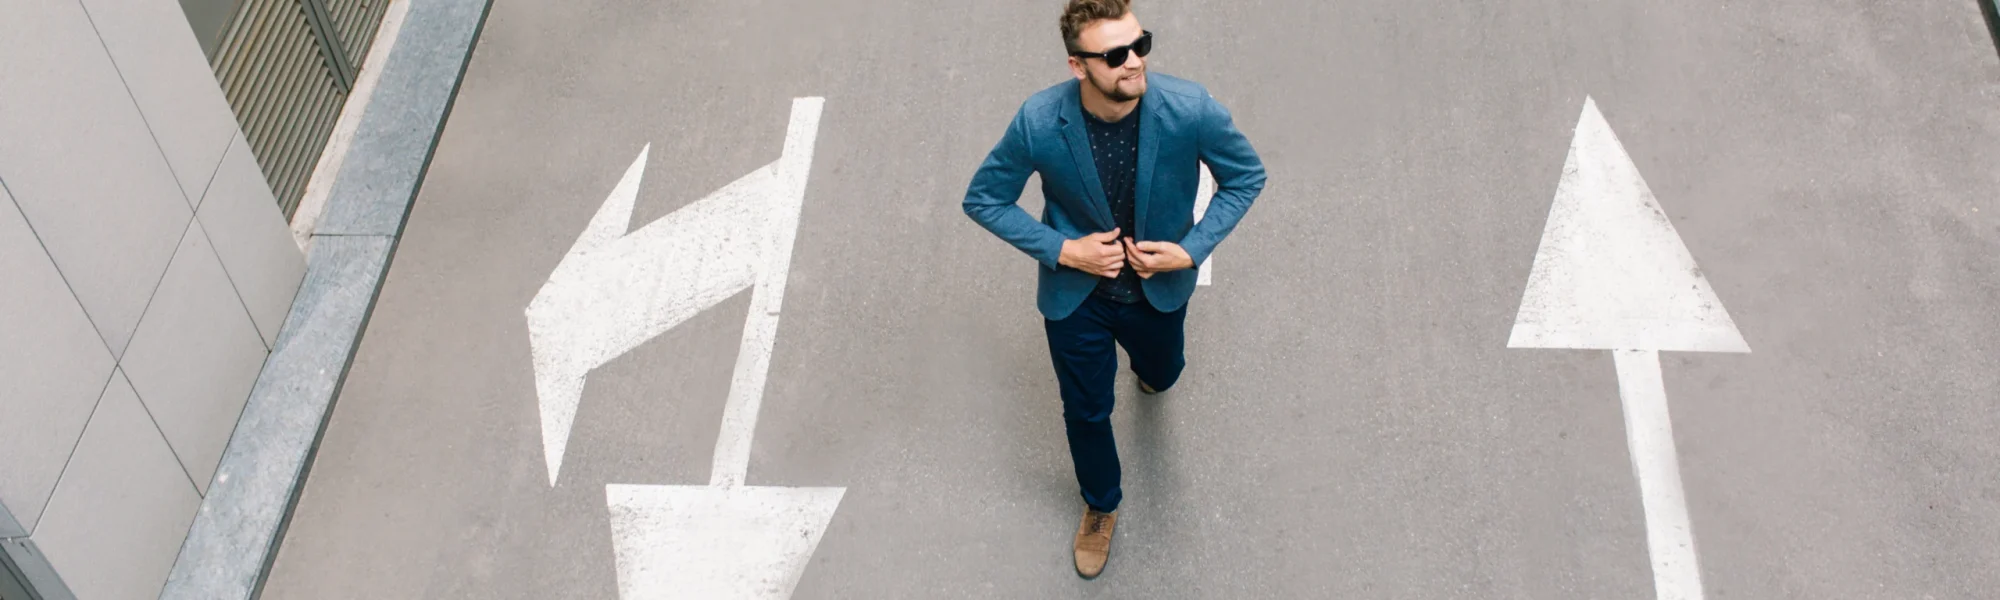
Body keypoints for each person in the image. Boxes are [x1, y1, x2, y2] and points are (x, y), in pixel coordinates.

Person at [960, 0, 1267, 579]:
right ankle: (1101, 504)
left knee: (1164, 372)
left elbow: (1245, 176)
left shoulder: (1189, 109)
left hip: (1160, 291)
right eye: (1116, 54)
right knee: (1085, 408)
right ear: (1079, 67)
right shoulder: (1039, 120)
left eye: (1140, 44)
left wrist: (1192, 249)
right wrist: (1061, 249)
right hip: (1077, 300)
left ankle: (1153, 371)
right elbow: (984, 199)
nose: (1135, 64)